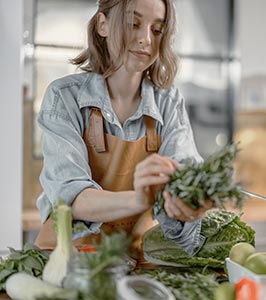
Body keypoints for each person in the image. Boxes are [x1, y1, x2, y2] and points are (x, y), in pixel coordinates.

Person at [34, 0, 212, 256]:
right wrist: (140, 199)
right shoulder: (64, 97)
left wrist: (191, 200)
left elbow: (185, 175)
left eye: (157, 29)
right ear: (102, 25)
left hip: (134, 261)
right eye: (133, 24)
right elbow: (70, 197)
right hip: (67, 261)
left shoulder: (168, 101)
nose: (145, 39)